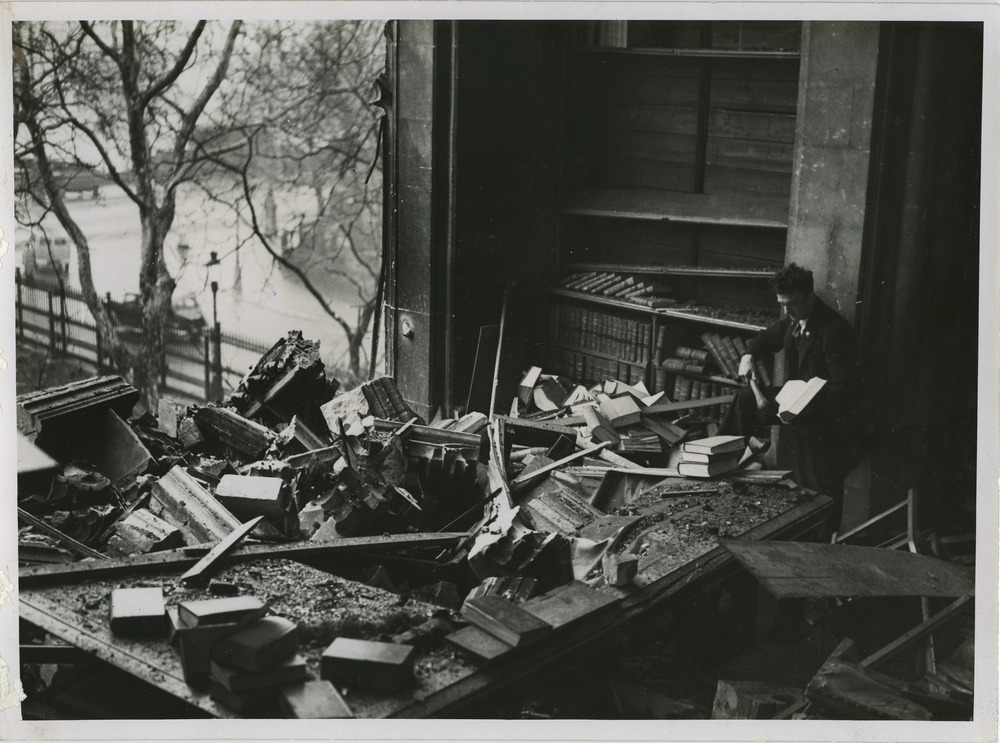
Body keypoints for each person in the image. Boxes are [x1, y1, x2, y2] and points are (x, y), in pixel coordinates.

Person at [720, 263, 861, 528]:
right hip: (793, 400)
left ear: (810, 296)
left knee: (821, 483)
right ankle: (738, 461)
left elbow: (845, 390)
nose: (787, 311)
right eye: (782, 304)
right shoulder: (794, 319)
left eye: (792, 304)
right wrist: (749, 356)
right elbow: (764, 339)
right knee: (745, 398)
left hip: (824, 415)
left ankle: (822, 537)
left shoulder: (833, 331)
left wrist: (805, 406)